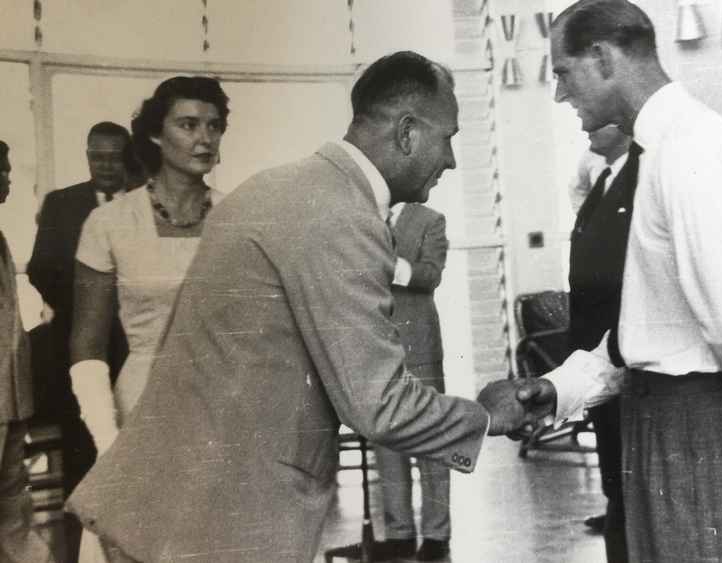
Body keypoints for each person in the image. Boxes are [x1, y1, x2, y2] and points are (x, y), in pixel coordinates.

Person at [67, 51, 552, 563]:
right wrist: (486, 416)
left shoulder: (275, 187)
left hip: (170, 499)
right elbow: (379, 405)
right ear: (407, 133)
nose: (451, 160)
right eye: (448, 137)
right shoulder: (343, 217)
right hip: (223, 515)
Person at [519, 1, 722, 561]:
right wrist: (563, 387)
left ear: (602, 58)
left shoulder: (690, 147)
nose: (559, 94)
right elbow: (651, 325)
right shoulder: (657, 149)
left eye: (563, 73)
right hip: (661, 424)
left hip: (698, 428)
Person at [67, 76, 229, 561]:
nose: (205, 138)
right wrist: (109, 442)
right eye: (188, 124)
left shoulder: (235, 217)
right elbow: (86, 346)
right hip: (137, 414)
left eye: (214, 126)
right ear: (156, 135)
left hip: (218, 412)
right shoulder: (109, 223)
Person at [27, 120, 133, 562]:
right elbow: (39, 269)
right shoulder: (61, 204)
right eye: (97, 156)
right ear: (87, 156)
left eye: (114, 156)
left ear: (127, 157)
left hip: (134, 349)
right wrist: (87, 307)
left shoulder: (148, 201)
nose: (105, 165)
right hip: (79, 351)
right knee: (80, 454)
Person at [372, 202, 451, 562]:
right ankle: (399, 532)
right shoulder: (361, 215)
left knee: (431, 440)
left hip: (419, 343)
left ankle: (437, 533)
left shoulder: (430, 221)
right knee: (386, 440)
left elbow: (430, 275)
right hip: (375, 346)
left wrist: (387, 266)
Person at [568, 124, 631, 562]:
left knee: (628, 486)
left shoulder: (637, 180)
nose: (586, 125)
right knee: (614, 474)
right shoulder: (604, 181)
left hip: (622, 357)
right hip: (597, 359)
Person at [0, 140, 54, 562]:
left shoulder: (0, 238)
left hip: (11, 398)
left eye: (7, 168)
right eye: (1, 169)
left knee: (14, 504)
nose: (8, 178)